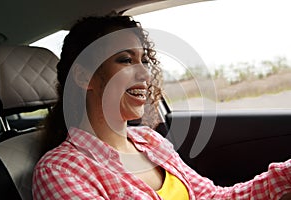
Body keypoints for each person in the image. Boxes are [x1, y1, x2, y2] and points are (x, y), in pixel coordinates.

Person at [32, 15, 291, 200]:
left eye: (144, 60)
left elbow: (211, 196)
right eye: (125, 60)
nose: (144, 73)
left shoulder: (149, 140)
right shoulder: (60, 170)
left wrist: (285, 177)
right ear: (84, 76)